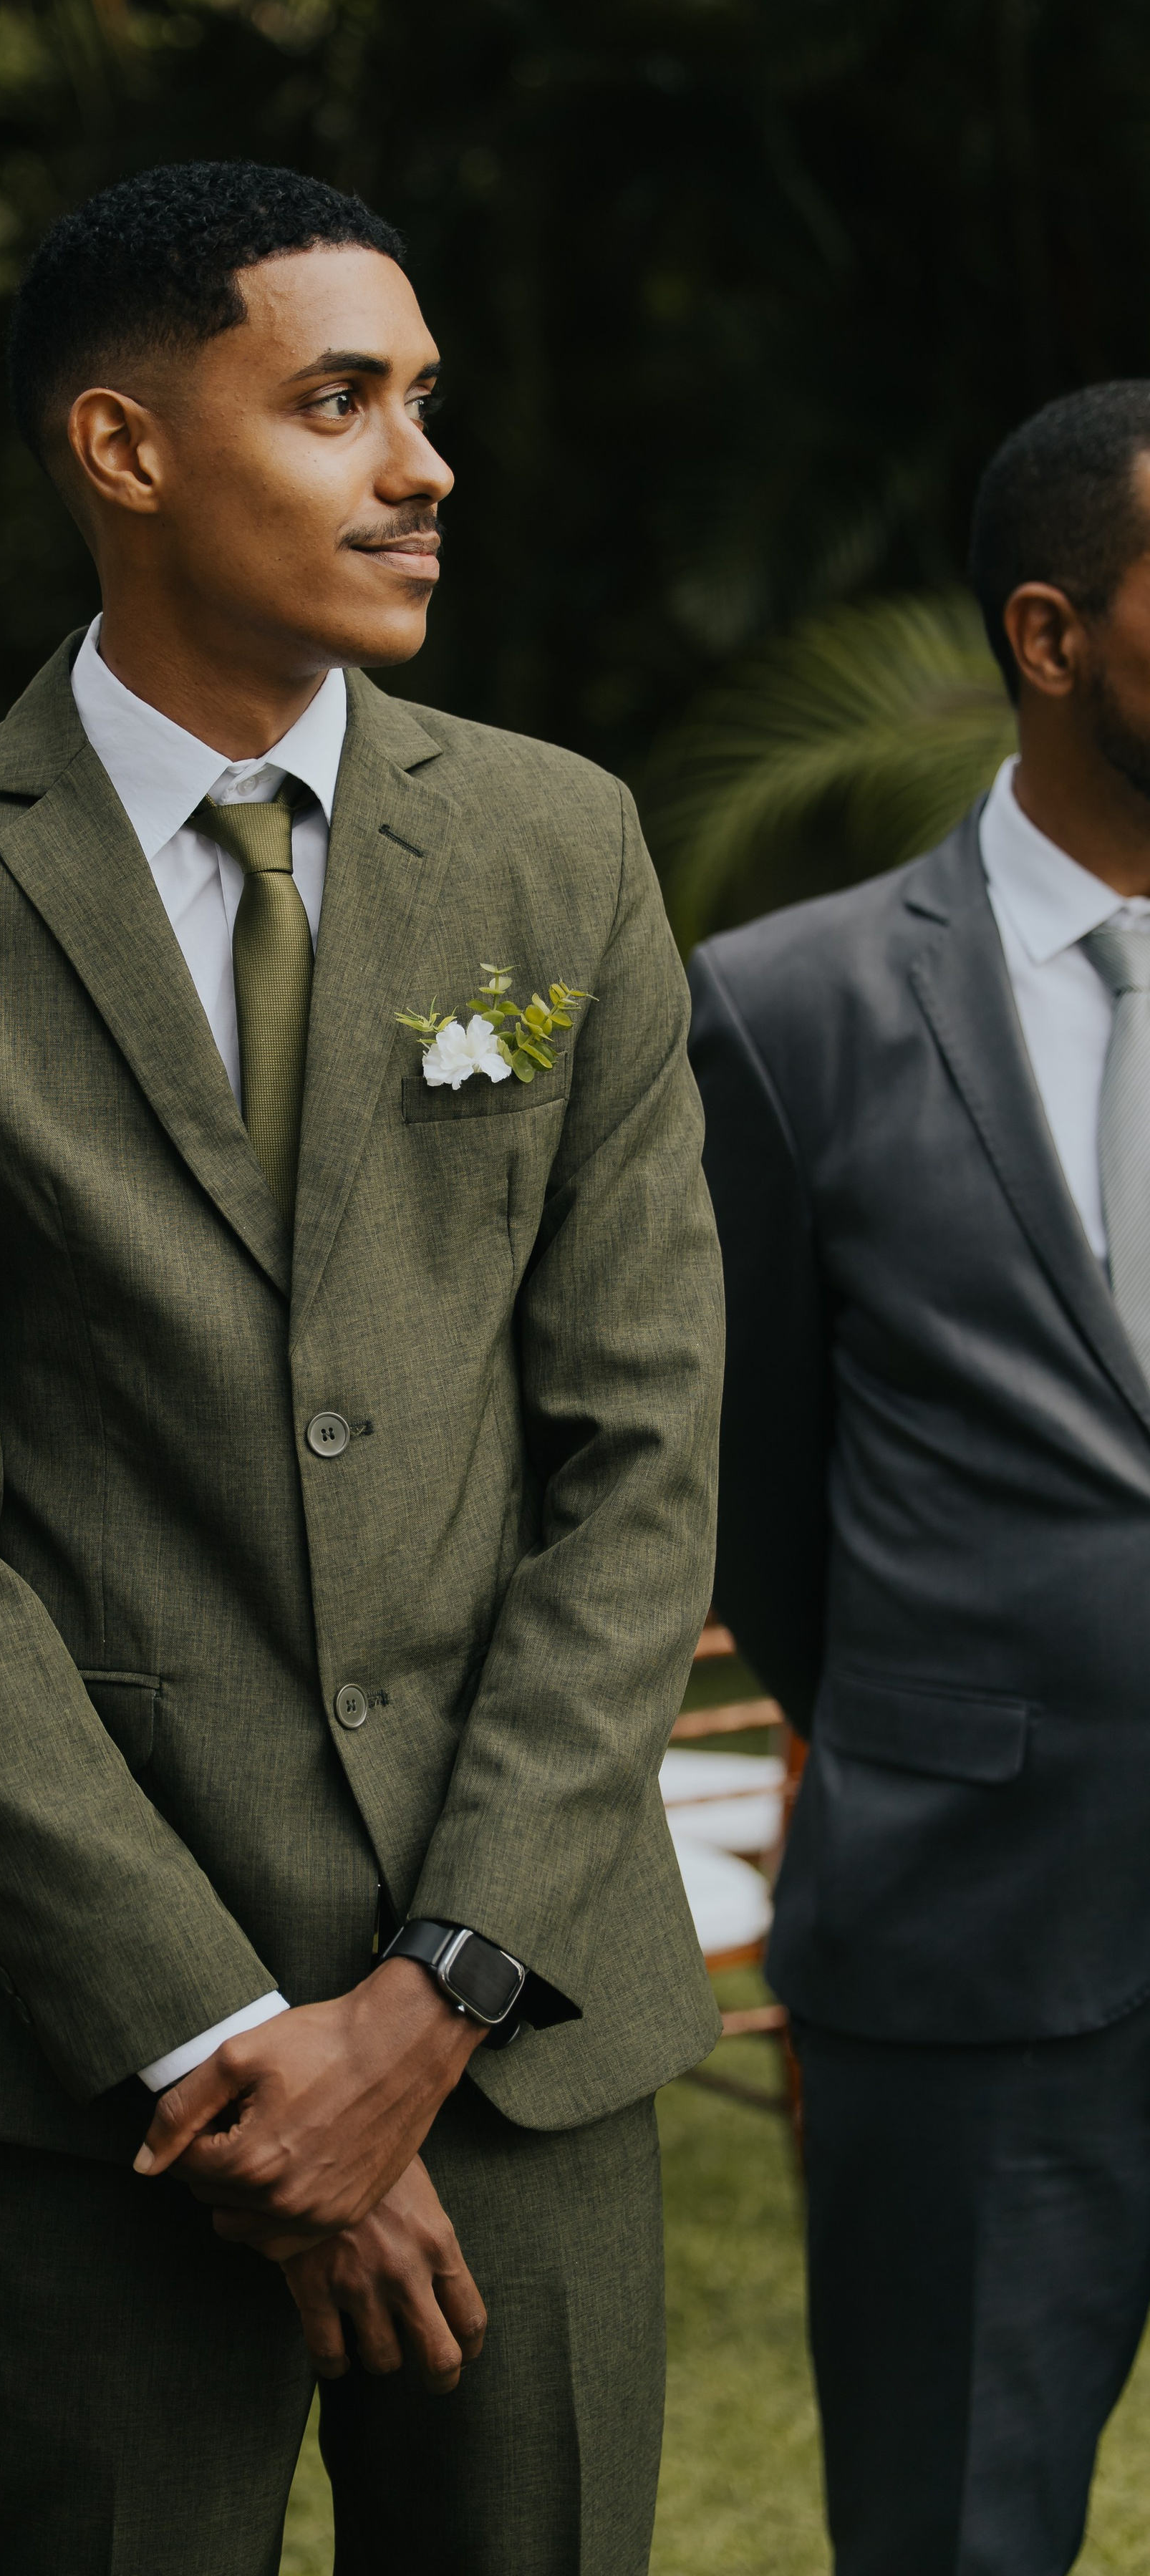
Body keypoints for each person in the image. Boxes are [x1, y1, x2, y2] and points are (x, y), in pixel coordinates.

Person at [0, 160, 720, 2573]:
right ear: (125, 446)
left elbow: (642, 1456)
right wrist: (227, 2049)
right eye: (340, 399)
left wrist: (432, 2006)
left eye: (425, 402)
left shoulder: (557, 849)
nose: (424, 463)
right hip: (114, 2080)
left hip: (522, 2036)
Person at [690, 382, 1150, 2575]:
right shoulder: (788, 1012)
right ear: (1052, 636)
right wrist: (944, 1715)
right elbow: (754, 1491)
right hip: (970, 1952)